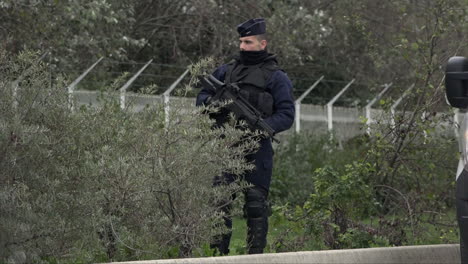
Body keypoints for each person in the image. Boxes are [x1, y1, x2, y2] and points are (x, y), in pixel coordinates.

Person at [196, 18, 295, 255]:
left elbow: (286, 115)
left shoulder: (276, 77)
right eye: (241, 41)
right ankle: (217, 256)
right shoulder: (226, 71)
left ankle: (255, 257)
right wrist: (213, 102)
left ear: (262, 44)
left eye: (248, 42)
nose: (242, 46)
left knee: (255, 204)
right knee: (220, 201)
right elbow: (201, 96)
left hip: (257, 148)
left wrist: (260, 129)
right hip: (226, 145)